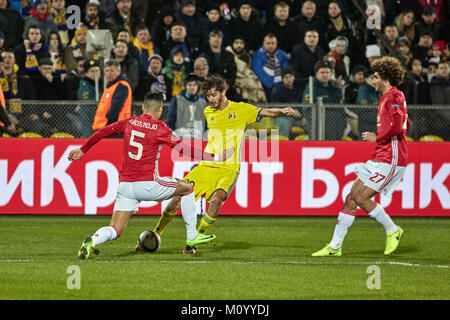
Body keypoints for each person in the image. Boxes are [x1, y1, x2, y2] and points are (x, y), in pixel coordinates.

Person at [69, 92, 233, 259]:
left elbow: (103, 131)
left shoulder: (129, 122)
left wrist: (83, 149)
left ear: (143, 107)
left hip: (125, 187)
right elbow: (183, 149)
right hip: (148, 184)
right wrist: (216, 157)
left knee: (115, 230)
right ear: (160, 109)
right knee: (188, 188)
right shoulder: (161, 128)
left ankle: (93, 241)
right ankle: (192, 237)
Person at [153, 75, 300, 253]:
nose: (211, 99)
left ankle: (194, 241)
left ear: (224, 91)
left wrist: (283, 110)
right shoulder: (209, 112)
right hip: (206, 166)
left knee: (217, 200)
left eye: (214, 95)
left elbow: (267, 112)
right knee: (176, 199)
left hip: (229, 169)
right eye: (208, 96)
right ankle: (155, 234)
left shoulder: (241, 109)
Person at [312, 56, 409, 257]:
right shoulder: (385, 97)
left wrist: (377, 136)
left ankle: (392, 230)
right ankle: (335, 247)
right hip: (379, 155)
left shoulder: (393, 96)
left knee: (360, 198)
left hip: (391, 157)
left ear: (385, 78)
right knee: (350, 198)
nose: (372, 80)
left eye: (375, 77)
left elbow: (398, 127)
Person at [302, 60, 344, 140]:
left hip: (336, 125)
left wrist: (342, 121)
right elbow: (307, 109)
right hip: (319, 125)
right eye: (322, 72)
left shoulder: (335, 88)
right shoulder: (311, 88)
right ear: (316, 74)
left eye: (327, 72)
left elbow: (340, 107)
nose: (325, 75)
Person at [92, 60, 132, 131]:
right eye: (107, 71)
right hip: (105, 125)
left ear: (118, 72)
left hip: (113, 126)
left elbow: (116, 106)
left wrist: (108, 121)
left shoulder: (121, 85)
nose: (109, 73)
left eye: (112, 71)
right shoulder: (111, 86)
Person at [225, 36, 266, 104]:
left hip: (246, 77)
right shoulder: (228, 54)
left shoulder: (247, 57)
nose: (239, 45)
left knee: (256, 83)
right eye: (236, 43)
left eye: (241, 43)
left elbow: (248, 70)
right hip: (235, 78)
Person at [166, 73, 207, 140]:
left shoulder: (203, 102)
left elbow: (206, 123)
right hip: (181, 141)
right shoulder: (177, 100)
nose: (192, 87)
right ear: (185, 86)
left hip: (199, 141)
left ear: (198, 86)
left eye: (194, 84)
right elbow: (170, 121)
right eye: (189, 85)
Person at [252, 33, 289, 102]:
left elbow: (286, 70)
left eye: (273, 43)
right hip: (264, 87)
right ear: (263, 43)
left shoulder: (282, 54)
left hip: (281, 85)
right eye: (268, 43)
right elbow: (258, 72)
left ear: (276, 43)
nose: (270, 46)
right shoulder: (257, 55)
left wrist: (280, 84)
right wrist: (271, 84)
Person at [78, 58, 102, 138]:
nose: (95, 73)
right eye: (92, 71)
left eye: (97, 70)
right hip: (89, 123)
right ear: (86, 73)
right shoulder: (85, 86)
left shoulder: (101, 84)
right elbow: (88, 106)